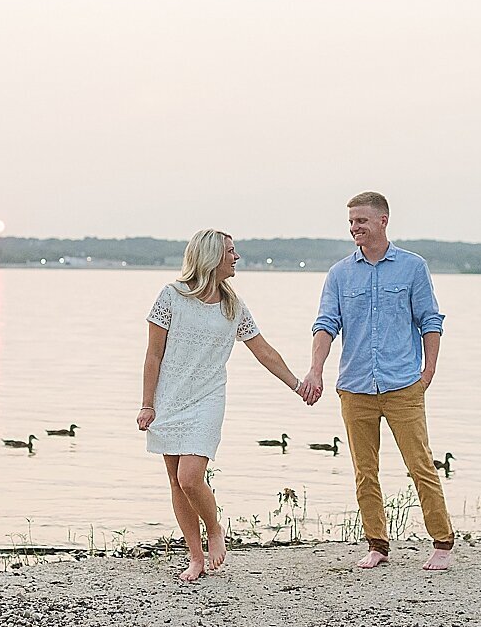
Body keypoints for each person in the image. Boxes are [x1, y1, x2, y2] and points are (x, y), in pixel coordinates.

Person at [138, 229, 306, 582]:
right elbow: (153, 355)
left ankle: (214, 530)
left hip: (207, 400)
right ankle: (195, 557)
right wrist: (147, 404)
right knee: (175, 482)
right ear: (212, 257)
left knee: (190, 477)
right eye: (231, 251)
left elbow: (263, 350)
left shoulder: (233, 306)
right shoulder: (171, 296)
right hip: (169, 399)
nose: (237, 257)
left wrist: (296, 384)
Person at [299, 191, 455, 571]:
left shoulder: (413, 268)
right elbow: (326, 325)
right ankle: (377, 545)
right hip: (355, 387)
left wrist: (428, 372)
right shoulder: (340, 274)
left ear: (383, 220)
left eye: (362, 221)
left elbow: (430, 321)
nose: (355, 228)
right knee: (364, 471)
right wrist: (316, 368)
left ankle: (443, 542)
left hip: (403, 385)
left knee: (421, 465)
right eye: (351, 222)